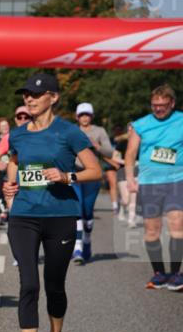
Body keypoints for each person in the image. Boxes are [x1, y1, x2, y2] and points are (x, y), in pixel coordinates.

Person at [2, 73, 101, 332]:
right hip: (24, 216)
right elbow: (14, 161)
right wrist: (9, 186)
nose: (29, 99)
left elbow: (95, 169)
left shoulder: (69, 133)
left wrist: (67, 176)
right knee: (29, 283)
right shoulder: (18, 134)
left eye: (35, 94)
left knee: (54, 285)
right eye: (26, 95)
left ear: (53, 97)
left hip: (60, 217)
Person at [124, 84, 183, 291]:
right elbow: (131, 153)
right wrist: (130, 178)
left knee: (177, 224)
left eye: (162, 105)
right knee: (152, 231)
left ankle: (175, 274)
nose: (158, 109)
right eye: (154, 105)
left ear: (172, 103)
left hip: (177, 180)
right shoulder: (141, 124)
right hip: (149, 183)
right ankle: (159, 273)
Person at [72, 102, 116, 264]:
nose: (84, 118)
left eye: (87, 115)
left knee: (87, 211)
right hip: (75, 174)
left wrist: (96, 145)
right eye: (82, 115)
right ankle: (77, 247)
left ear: (92, 116)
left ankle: (87, 240)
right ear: (77, 117)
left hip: (92, 176)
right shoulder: (72, 131)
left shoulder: (99, 131)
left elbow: (110, 152)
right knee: (77, 209)